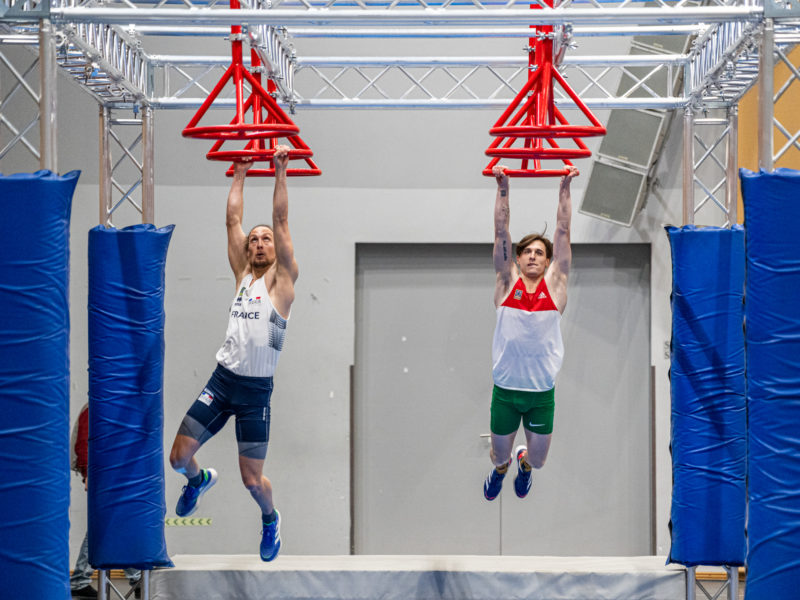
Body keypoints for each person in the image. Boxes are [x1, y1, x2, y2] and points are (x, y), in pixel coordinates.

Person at [168, 145, 298, 561]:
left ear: (276, 248)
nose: (258, 244)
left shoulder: (282, 282)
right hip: (222, 382)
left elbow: (281, 220)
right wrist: (240, 172)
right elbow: (231, 221)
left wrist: (279, 171)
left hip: (255, 392)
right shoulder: (242, 275)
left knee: (252, 481)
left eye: (265, 240)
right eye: (253, 240)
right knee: (178, 459)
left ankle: (270, 519)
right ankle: (198, 480)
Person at [483, 164, 579, 501]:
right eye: (527, 252)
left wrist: (564, 187)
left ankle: (523, 464)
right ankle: (501, 470)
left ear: (548, 260)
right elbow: (500, 231)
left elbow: (563, 229)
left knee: (538, 461)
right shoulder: (506, 283)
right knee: (498, 456)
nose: (534, 256)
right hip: (506, 390)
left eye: (540, 252)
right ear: (518, 259)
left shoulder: (556, 287)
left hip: (540, 392)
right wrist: (503, 187)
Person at [70, 403, 141, 599]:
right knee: (108, 524)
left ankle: (134, 578)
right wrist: (87, 472)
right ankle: (134, 578)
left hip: (111, 473)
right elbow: (84, 440)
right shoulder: (96, 404)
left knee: (111, 524)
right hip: (103, 475)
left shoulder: (110, 404)